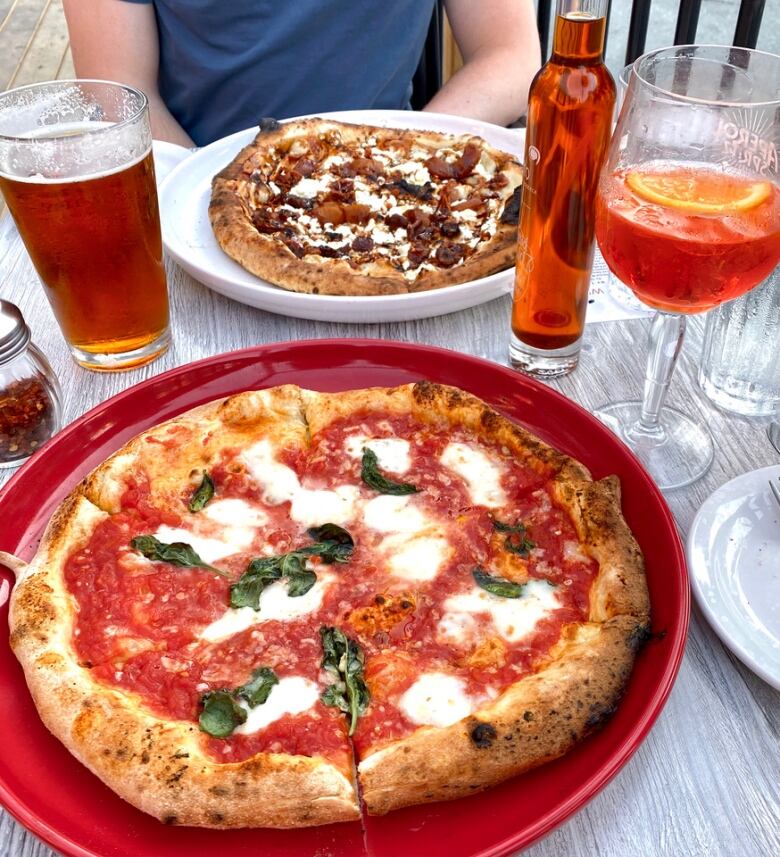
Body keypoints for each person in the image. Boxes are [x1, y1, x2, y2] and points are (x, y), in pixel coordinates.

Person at [63, 0, 541, 147]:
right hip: (186, 176)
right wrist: (210, 192)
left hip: (397, 170)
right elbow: (115, 93)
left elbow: (511, 56)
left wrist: (398, 157)